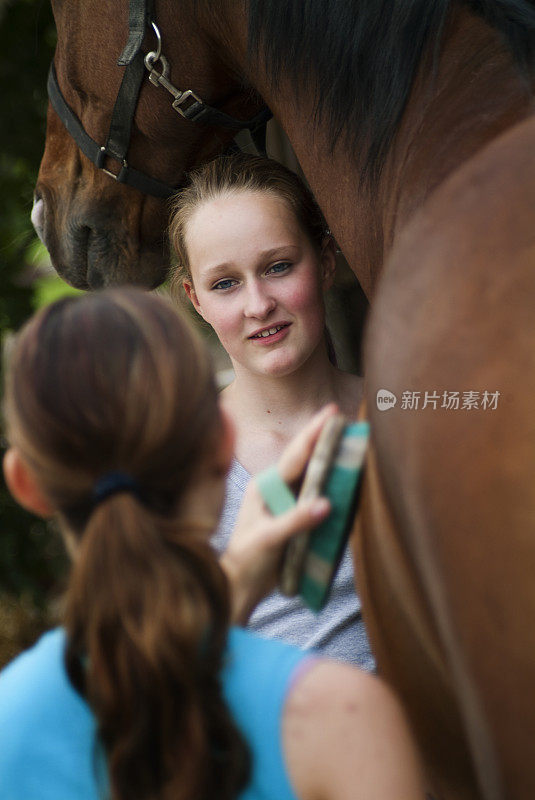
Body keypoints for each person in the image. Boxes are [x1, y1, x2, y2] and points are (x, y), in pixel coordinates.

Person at [0, 289, 423, 800]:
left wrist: (232, 592)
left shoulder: (13, 722)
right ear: (224, 440)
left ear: (26, 484)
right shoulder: (345, 719)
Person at [169, 153, 373, 668]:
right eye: (225, 283)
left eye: (278, 267)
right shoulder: (177, 465)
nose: (258, 304)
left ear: (326, 260)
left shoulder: (409, 418)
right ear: (195, 299)